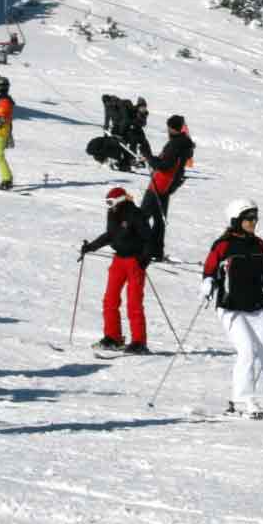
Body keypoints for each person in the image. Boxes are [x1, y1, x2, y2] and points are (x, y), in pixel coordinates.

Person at [202, 198, 263, 419]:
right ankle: (243, 400)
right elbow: (210, 270)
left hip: (256, 306)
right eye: (248, 218)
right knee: (246, 351)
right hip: (230, 307)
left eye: (255, 218)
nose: (253, 222)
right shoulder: (223, 245)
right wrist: (207, 284)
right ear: (236, 220)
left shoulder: (259, 245)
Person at [81, 186, 152, 353]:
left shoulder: (135, 214)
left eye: (111, 202)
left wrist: (144, 260)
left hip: (134, 261)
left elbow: (149, 239)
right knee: (110, 300)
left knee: (134, 302)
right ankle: (113, 338)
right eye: (107, 203)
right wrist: (91, 247)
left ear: (120, 200)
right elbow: (110, 235)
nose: (109, 206)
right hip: (118, 260)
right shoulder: (112, 213)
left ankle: (139, 342)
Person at [141, 114, 195, 261]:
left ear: (172, 128)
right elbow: (167, 161)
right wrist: (151, 158)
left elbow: (165, 166)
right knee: (159, 219)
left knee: (142, 217)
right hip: (169, 184)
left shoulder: (176, 144)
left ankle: (138, 247)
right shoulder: (182, 143)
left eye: (168, 127)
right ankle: (156, 251)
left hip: (160, 183)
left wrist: (149, 158)